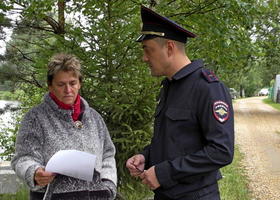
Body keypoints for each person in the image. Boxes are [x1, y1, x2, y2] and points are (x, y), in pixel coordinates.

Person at [126, 6, 234, 200]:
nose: (144, 58)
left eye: (148, 50)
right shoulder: (169, 86)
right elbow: (174, 141)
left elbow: (221, 151)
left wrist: (164, 173)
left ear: (169, 47)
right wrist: (145, 157)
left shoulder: (207, 88)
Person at [11, 53, 117, 200]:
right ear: (50, 86)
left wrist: (109, 184)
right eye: (61, 84)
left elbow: (108, 154)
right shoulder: (35, 118)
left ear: (79, 83)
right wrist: (34, 172)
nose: (68, 90)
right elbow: (22, 158)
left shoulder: (94, 118)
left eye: (72, 83)